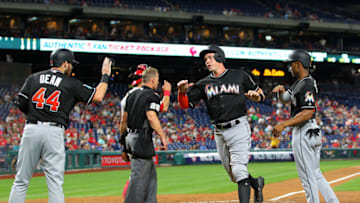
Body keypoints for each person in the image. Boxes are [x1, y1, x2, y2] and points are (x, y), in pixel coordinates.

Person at [9, 48, 112, 203]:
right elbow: (98, 96)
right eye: (71, 64)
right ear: (64, 63)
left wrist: (36, 114)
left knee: (21, 180)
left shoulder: (33, 78)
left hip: (32, 128)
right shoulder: (70, 83)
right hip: (53, 132)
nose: (72, 67)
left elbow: (21, 103)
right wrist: (105, 75)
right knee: (55, 184)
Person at [177, 45, 265, 203]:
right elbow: (185, 105)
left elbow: (260, 93)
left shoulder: (239, 75)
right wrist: (182, 92)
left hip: (239, 127)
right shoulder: (203, 83)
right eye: (205, 60)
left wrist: (257, 97)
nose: (207, 61)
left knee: (239, 169)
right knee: (234, 175)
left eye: (210, 57)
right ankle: (256, 183)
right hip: (219, 132)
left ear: (220, 57)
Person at [272, 49, 339, 203]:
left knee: (307, 177)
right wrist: (280, 92)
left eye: (291, 65)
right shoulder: (300, 83)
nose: (289, 68)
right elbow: (286, 99)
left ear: (298, 65)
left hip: (304, 131)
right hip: (312, 131)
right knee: (315, 174)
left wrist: (284, 124)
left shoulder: (306, 84)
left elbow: (308, 111)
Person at [119, 64, 171, 199]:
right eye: (157, 79)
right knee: (139, 179)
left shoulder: (132, 95)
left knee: (150, 177)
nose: (158, 82)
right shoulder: (151, 95)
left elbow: (123, 121)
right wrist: (163, 137)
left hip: (130, 138)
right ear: (152, 80)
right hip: (140, 139)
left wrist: (123, 144)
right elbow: (152, 117)